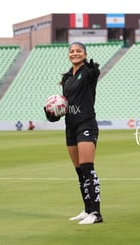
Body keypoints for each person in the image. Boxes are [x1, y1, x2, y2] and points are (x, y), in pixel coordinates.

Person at [44, 42, 103, 224]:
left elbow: (93, 77)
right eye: (72, 51)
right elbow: (66, 104)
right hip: (70, 126)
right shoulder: (68, 78)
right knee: (79, 171)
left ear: (85, 54)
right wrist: (53, 113)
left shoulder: (87, 72)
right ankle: (87, 210)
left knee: (87, 168)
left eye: (79, 51)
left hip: (86, 124)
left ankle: (96, 214)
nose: (75, 53)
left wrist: (94, 72)